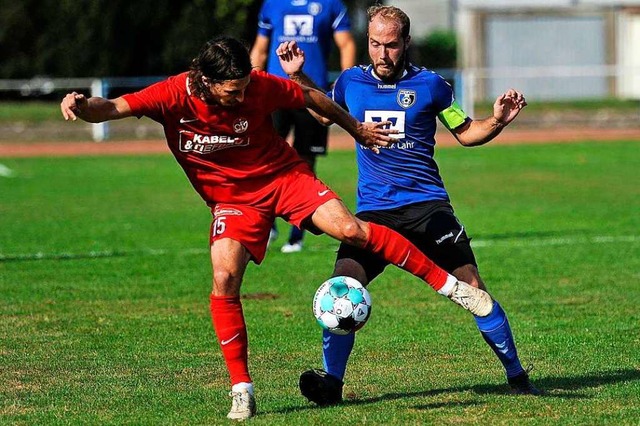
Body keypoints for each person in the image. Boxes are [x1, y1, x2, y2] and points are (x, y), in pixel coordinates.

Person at [60, 36, 494, 421]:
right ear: (206, 82)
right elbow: (111, 107)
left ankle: (452, 288)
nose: (244, 95)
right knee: (224, 276)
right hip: (234, 200)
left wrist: (356, 128)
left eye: (246, 86)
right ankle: (242, 390)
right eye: (234, 91)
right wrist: (81, 107)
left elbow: (310, 98)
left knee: (352, 231)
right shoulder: (172, 94)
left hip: (283, 178)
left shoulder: (259, 85)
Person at [275, 4, 542, 406]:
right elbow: (324, 113)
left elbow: (467, 133)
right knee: (341, 289)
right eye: (375, 44)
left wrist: (498, 120)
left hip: (427, 208)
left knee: (472, 286)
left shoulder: (433, 86)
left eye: (392, 45)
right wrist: (298, 76)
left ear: (407, 43)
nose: (383, 54)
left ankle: (518, 377)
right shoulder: (350, 82)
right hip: (374, 213)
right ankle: (332, 383)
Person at [250, 0, 356, 253]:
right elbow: (260, 49)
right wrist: (252, 83)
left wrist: (347, 84)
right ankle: (268, 224)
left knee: (305, 164)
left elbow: (347, 44)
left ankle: (296, 234)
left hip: (312, 94)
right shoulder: (272, 5)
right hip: (274, 94)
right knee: (264, 162)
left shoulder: (330, 5)